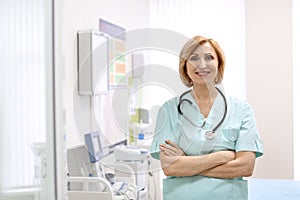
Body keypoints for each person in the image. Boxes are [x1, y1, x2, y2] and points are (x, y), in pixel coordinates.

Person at [150, 35, 263, 200]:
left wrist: (187, 163)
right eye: (194, 58)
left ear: (219, 64)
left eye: (209, 57)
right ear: (185, 67)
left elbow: (245, 167)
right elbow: (170, 167)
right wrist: (221, 157)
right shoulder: (169, 110)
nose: (202, 64)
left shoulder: (241, 109)